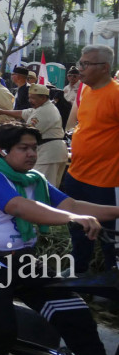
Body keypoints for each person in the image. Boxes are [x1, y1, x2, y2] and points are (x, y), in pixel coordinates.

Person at [0, 122, 112, 355]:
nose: (32, 154)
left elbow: (72, 206)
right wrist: (73, 218)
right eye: (23, 148)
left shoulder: (34, 179)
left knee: (77, 316)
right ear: (3, 151)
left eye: (34, 148)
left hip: (20, 259)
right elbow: (20, 207)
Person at [64, 44, 119, 275]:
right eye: (80, 62)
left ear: (104, 68)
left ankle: (111, 285)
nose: (80, 69)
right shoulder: (86, 91)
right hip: (77, 175)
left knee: (111, 238)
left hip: (106, 182)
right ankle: (80, 270)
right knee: (77, 227)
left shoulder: (116, 95)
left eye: (86, 64)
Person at [0, 84, 67, 186]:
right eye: (29, 97)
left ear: (43, 97)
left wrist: (7, 130)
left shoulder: (44, 111)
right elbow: (23, 113)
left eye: (33, 98)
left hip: (49, 154)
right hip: (51, 152)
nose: (30, 100)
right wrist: (1, 112)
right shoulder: (42, 107)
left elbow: (27, 133)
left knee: (43, 186)